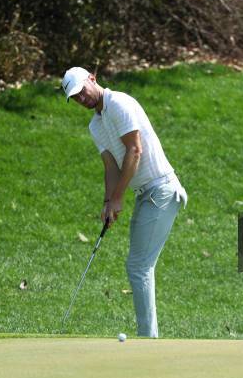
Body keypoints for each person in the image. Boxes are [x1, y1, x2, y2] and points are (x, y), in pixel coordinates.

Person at [61, 66, 187, 338]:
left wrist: (118, 197)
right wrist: (108, 201)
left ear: (92, 79)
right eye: (76, 98)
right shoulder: (95, 125)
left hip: (162, 189)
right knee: (139, 265)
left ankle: (147, 340)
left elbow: (135, 150)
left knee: (138, 266)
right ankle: (148, 337)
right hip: (147, 194)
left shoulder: (119, 102)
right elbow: (111, 167)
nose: (82, 99)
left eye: (82, 91)